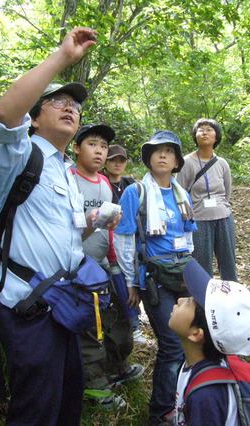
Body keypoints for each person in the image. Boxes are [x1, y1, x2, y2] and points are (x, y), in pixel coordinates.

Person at [0, 27, 119, 425]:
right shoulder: (18, 155)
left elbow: (67, 232)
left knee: (65, 403)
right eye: (57, 102)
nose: (69, 109)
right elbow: (4, 115)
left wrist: (94, 222)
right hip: (27, 305)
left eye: (74, 107)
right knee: (35, 409)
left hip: (64, 302)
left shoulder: (64, 169)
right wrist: (63, 57)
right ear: (35, 115)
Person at [114, 130, 197, 426]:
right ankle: (161, 413)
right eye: (156, 150)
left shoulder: (181, 194)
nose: (162, 155)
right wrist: (130, 282)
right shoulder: (135, 192)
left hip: (183, 274)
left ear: (176, 160)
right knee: (172, 346)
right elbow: (123, 239)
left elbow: (188, 235)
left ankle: (186, 401)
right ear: (148, 157)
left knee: (192, 340)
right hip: (153, 277)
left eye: (169, 151)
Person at [72, 124, 144, 410]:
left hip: (103, 264)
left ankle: (118, 367)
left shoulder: (104, 183)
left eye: (103, 146)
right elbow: (63, 224)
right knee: (90, 326)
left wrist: (115, 261)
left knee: (116, 318)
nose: (99, 151)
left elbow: (107, 228)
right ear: (76, 148)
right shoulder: (67, 178)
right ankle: (96, 389)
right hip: (75, 266)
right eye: (92, 144)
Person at [169, 259, 250, 425]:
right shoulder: (194, 364)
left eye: (189, 301)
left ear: (197, 334)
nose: (181, 300)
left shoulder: (206, 397)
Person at [176, 118, 237, 281]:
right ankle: (203, 302)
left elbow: (226, 193)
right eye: (200, 129)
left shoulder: (222, 164)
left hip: (223, 218)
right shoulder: (186, 163)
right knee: (202, 264)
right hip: (199, 220)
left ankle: (233, 299)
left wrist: (222, 208)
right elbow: (179, 194)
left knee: (228, 262)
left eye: (209, 129)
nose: (204, 132)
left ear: (216, 136)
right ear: (195, 135)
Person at [102, 143, 147, 346]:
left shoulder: (131, 184)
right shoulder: (102, 184)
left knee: (134, 279)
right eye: (113, 160)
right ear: (105, 162)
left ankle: (134, 322)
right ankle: (133, 325)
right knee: (120, 281)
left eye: (121, 160)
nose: (118, 164)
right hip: (108, 241)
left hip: (131, 239)